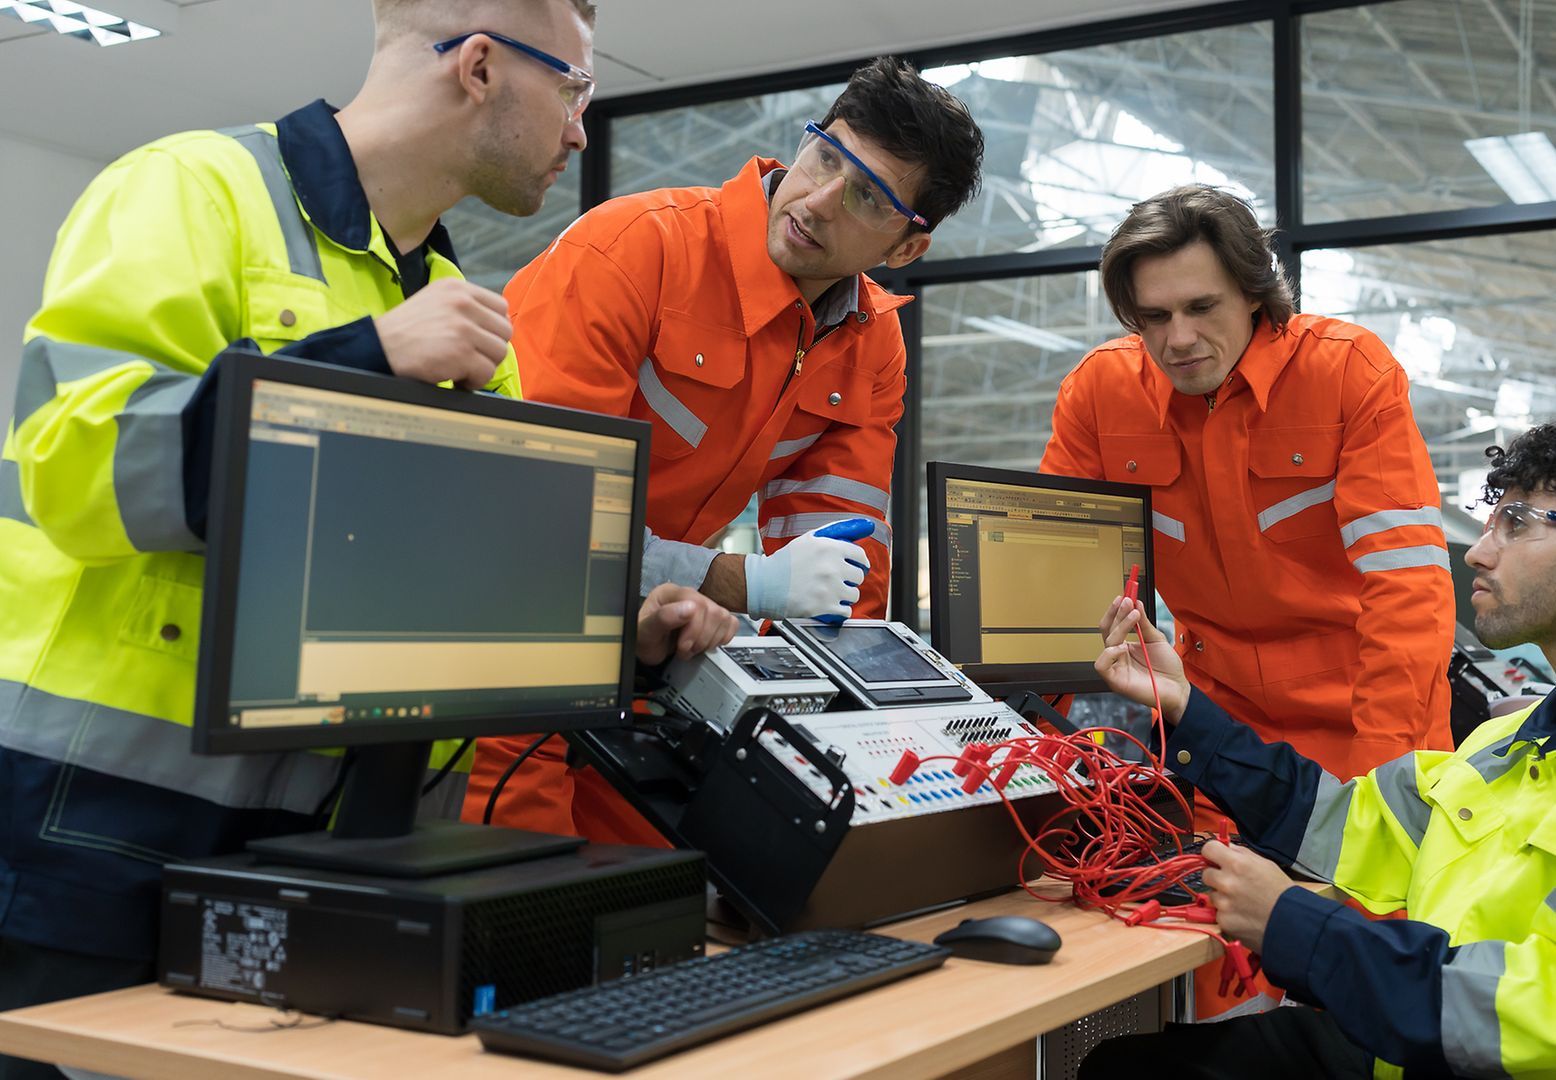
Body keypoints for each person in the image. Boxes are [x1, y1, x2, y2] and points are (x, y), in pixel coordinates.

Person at [0, 0, 631, 1066]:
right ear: (479, 65)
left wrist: (621, 614)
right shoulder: (195, 188)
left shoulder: (463, 317)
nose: (579, 129)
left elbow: (445, 591)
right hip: (93, 838)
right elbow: (78, 467)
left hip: (333, 860)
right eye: (572, 90)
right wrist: (357, 363)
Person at [1082, 415, 1556, 1079]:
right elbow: (1351, 825)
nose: (1480, 552)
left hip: (1538, 1056)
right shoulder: (1517, 740)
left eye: (1515, 524)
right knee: (1124, 1065)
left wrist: (1295, 925)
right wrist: (1187, 709)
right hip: (1454, 1042)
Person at [465, 56, 985, 842]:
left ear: (906, 248)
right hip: (506, 645)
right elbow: (535, 523)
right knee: (525, 902)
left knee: (687, 891)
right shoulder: (635, 252)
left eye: (866, 197)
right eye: (826, 156)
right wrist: (737, 579)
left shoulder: (871, 341)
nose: (816, 200)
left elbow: (844, 577)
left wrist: (856, 738)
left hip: (643, 652)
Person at [1041, 185, 1453, 788]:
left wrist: (1384, 783)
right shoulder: (1099, 394)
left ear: (1255, 294)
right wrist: (1031, 753)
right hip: (1215, 737)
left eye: (1201, 307)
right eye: (1154, 317)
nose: (1177, 339)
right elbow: (1057, 586)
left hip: (1367, 729)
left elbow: (1407, 590)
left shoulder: (1348, 373)